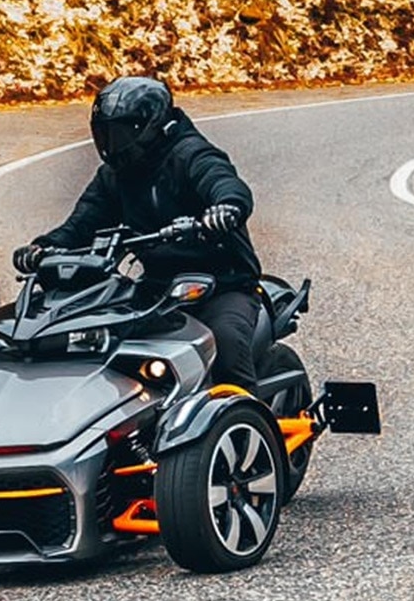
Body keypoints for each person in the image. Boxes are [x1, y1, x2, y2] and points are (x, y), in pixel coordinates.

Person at [13, 76, 264, 390]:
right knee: (100, 341)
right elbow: (81, 223)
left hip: (224, 286)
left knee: (224, 345)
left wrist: (226, 208)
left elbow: (223, 182)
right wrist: (43, 248)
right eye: (104, 132)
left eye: (118, 133)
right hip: (158, 288)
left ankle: (255, 428)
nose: (110, 143)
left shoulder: (190, 155)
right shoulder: (115, 175)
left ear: (149, 127)